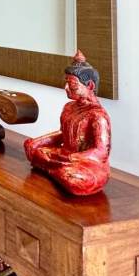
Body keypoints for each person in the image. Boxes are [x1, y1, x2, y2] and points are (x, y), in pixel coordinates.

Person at [24, 51, 111, 196]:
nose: (66, 87)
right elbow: (63, 134)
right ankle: (56, 171)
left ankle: (56, 170)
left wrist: (70, 158)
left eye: (71, 84)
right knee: (32, 148)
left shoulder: (98, 116)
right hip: (65, 155)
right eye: (66, 82)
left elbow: (101, 152)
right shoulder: (69, 107)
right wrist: (37, 142)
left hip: (86, 163)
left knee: (73, 178)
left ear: (89, 85)